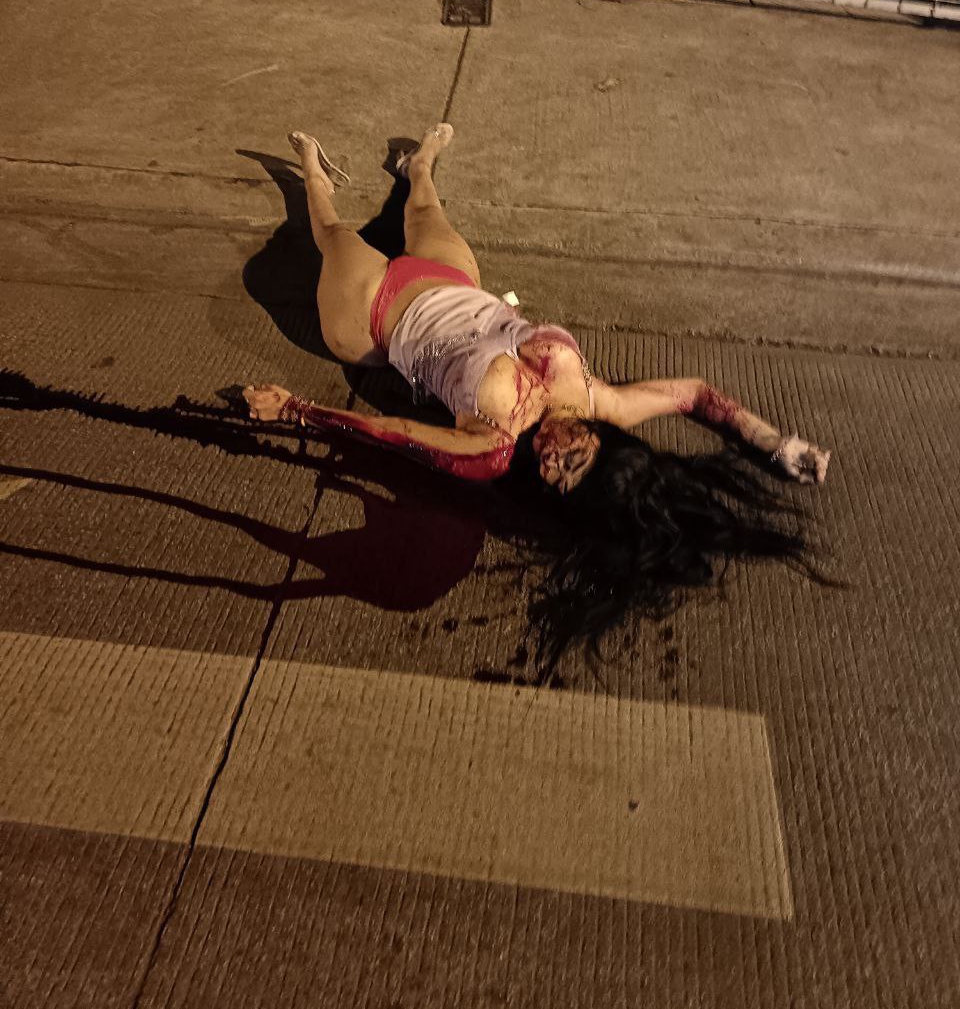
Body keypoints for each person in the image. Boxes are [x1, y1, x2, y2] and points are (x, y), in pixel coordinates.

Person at [244, 124, 832, 670]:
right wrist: (777, 444)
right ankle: (417, 164)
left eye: (556, 479)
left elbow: (392, 434)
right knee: (422, 207)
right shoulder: (599, 400)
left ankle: (310, 175)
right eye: (573, 457)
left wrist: (296, 409)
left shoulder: (492, 446)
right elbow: (696, 395)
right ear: (602, 437)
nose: (551, 461)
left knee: (333, 234)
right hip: (455, 282)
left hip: (373, 315)